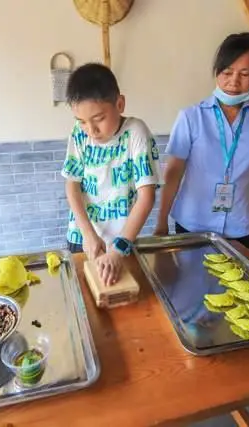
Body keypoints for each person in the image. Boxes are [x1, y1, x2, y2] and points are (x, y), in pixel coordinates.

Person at [155, 32, 249, 257]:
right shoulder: (191, 118)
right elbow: (173, 173)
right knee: (192, 285)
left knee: (236, 287)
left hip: (239, 225)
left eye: (244, 74)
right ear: (217, 72)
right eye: (227, 72)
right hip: (193, 223)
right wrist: (161, 220)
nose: (234, 82)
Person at [61, 63, 162, 285]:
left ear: (119, 103)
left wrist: (118, 249)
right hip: (83, 237)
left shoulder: (136, 132)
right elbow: (72, 184)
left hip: (122, 240)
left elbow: (147, 196)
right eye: (82, 122)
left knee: (120, 297)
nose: (91, 130)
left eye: (98, 119)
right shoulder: (79, 134)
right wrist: (88, 233)